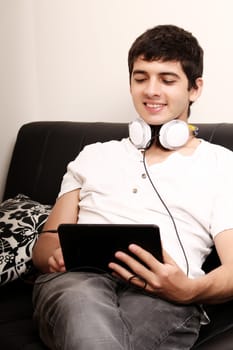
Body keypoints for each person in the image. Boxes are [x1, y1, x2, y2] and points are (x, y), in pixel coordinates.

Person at [32, 24, 233, 350]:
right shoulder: (93, 154)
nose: (151, 90)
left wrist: (187, 290)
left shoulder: (223, 165)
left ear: (195, 89)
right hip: (77, 281)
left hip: (161, 292)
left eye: (167, 80)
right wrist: (53, 257)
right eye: (141, 78)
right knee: (80, 300)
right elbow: (44, 247)